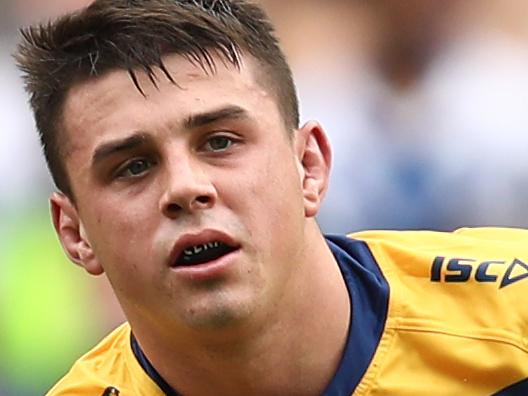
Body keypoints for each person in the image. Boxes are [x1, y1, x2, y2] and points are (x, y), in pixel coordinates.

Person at [15, 0, 528, 395]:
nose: (186, 188)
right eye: (132, 167)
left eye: (219, 141)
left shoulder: (513, 320)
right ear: (75, 232)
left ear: (310, 165)